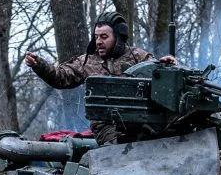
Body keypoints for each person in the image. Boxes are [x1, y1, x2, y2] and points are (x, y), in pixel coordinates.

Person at [24, 11, 177, 144]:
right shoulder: (87, 62)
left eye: (104, 37)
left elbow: (159, 76)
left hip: (141, 121)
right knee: (116, 150)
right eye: (96, 37)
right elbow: (60, 76)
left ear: (118, 37)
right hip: (106, 126)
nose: (98, 42)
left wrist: (167, 65)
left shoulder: (138, 57)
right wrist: (39, 64)